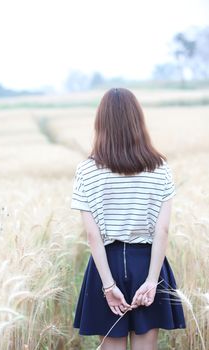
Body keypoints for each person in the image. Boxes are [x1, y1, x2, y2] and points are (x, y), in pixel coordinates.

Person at [71, 88, 186, 350]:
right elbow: (163, 230)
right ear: (138, 121)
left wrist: (108, 285)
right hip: (147, 262)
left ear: (100, 123)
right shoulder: (160, 168)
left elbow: (92, 236)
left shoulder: (87, 171)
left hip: (105, 265)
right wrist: (151, 280)